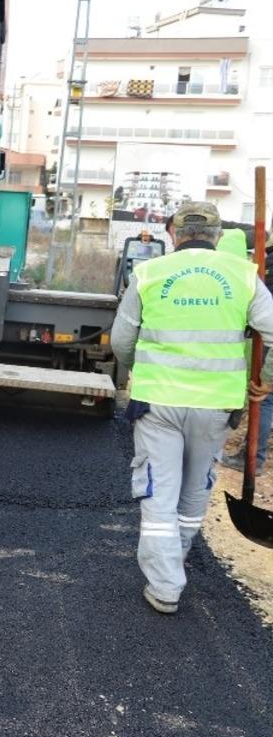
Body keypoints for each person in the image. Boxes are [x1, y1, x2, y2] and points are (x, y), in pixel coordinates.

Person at [110, 201, 273, 615]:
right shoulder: (243, 276)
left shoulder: (148, 273)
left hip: (158, 403)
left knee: (158, 492)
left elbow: (120, 342)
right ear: (217, 236)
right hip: (217, 405)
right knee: (195, 488)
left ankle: (165, 585)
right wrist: (265, 378)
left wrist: (137, 370)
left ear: (174, 234)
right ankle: (174, 561)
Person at [220, 233, 273, 473]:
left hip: (268, 337)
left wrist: (269, 377)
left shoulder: (262, 267)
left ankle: (254, 458)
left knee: (262, 397)